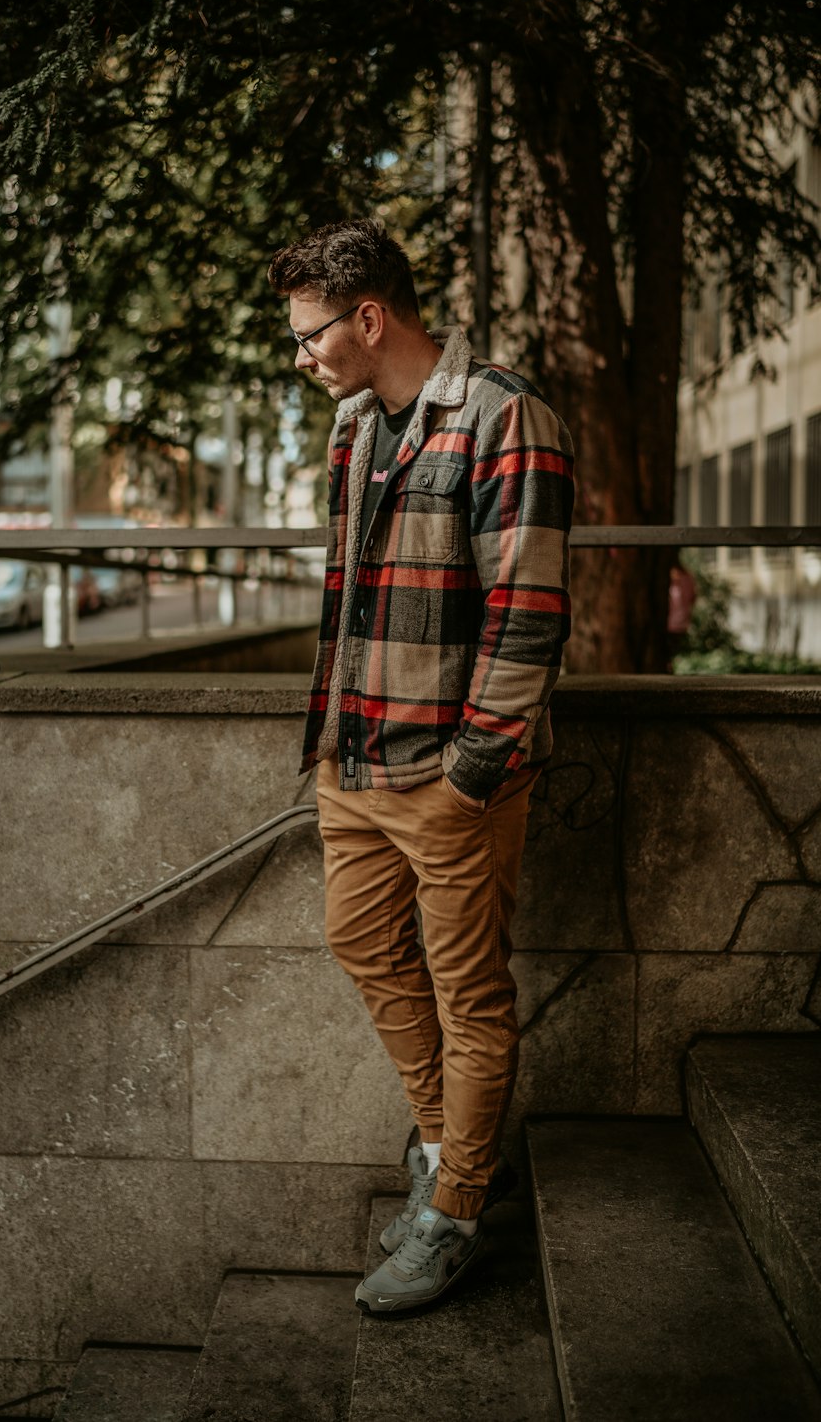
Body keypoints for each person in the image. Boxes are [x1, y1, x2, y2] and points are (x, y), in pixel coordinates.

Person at [268, 219, 574, 1315]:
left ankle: (451, 1211)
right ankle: (446, 1142)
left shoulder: (504, 414)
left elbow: (528, 613)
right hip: (352, 763)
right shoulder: (356, 424)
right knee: (358, 941)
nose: (299, 357)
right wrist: (333, 754)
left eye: (308, 337)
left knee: (469, 996)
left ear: (369, 316)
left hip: (453, 778)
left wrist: (469, 774)